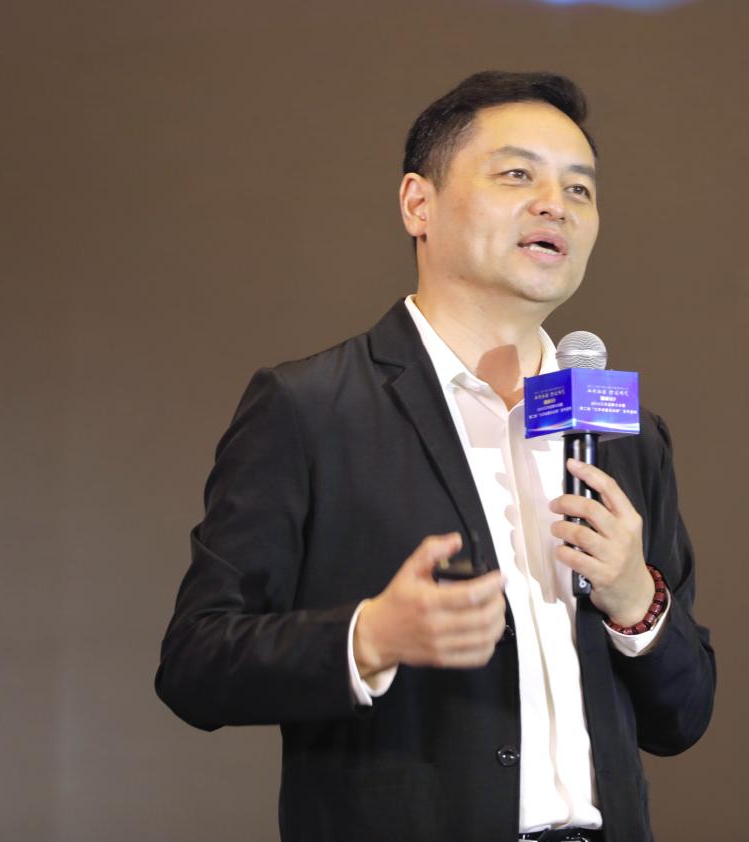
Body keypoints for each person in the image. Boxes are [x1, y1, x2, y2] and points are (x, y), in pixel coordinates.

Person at [155, 70, 715, 842]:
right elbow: (194, 665)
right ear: (418, 204)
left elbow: (682, 717)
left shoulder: (623, 433)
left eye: (579, 189)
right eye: (517, 174)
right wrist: (370, 638)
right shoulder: (310, 408)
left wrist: (635, 599)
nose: (555, 204)